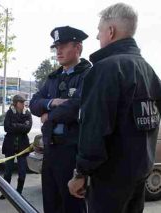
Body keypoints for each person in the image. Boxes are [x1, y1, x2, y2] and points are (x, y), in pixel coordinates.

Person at [68, 3, 161, 213]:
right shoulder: (148, 70)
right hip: (139, 174)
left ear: (111, 31)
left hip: (110, 179)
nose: (98, 36)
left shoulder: (105, 70)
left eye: (100, 31)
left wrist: (80, 174)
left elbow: (95, 129)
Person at [29, 26, 91, 213]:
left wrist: (48, 116)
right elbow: (33, 104)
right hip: (51, 150)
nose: (58, 51)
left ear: (78, 48)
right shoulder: (53, 78)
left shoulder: (88, 74)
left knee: (72, 205)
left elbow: (76, 106)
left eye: (63, 46)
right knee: (51, 203)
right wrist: (53, 102)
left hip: (72, 152)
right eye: (56, 47)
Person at [0, 95, 32, 200]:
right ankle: (6, 192)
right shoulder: (9, 113)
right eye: (21, 102)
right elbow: (6, 127)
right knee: (8, 171)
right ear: (16, 103)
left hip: (22, 147)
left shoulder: (27, 113)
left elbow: (27, 129)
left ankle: (19, 192)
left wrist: (15, 125)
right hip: (10, 146)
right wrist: (21, 126)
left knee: (22, 171)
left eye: (24, 102)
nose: (23, 104)